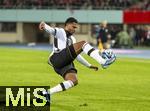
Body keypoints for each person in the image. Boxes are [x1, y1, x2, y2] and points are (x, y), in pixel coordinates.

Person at [39, 17, 116, 102]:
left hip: (64, 62)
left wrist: (89, 65)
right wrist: (44, 25)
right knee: (83, 43)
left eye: (76, 28)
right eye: (73, 27)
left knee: (73, 81)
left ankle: (47, 93)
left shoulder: (73, 39)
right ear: (67, 25)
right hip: (57, 57)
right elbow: (51, 30)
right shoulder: (60, 31)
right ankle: (103, 61)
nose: (74, 29)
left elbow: (77, 56)